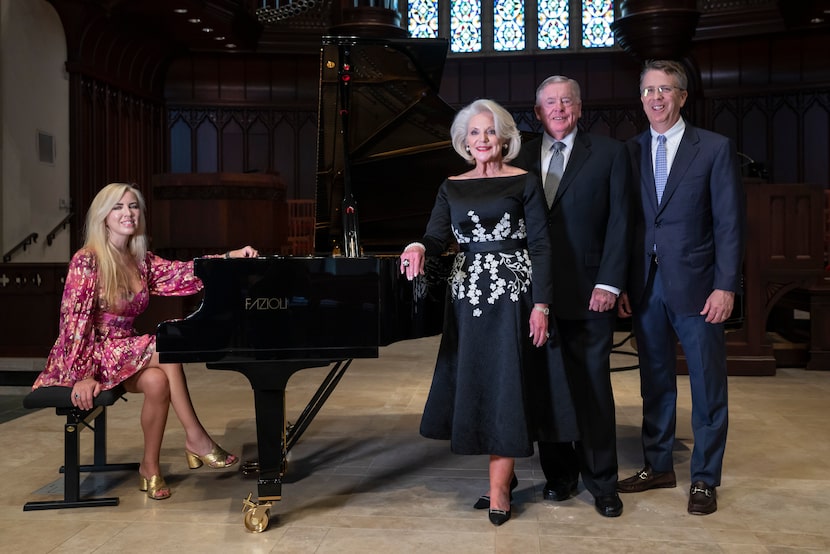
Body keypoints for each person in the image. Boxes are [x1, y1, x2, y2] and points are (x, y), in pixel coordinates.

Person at [399, 99, 577, 526]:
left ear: (505, 138)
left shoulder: (525, 182)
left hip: (513, 300)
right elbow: (435, 234)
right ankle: (500, 479)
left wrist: (541, 304)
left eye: (490, 132)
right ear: (464, 141)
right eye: (474, 133)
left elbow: (540, 245)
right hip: (466, 301)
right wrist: (417, 246)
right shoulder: (451, 185)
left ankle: (499, 488)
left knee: (506, 387)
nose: (482, 140)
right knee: (478, 382)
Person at [32, 182, 259, 500]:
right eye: (118, 207)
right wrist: (82, 375)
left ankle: (149, 468)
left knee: (156, 381)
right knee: (164, 343)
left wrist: (229, 257)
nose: (128, 213)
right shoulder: (88, 260)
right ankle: (196, 437)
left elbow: (182, 274)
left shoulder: (139, 260)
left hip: (125, 349)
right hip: (89, 353)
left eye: (133, 206)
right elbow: (73, 324)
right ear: (104, 216)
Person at [617, 60, 745, 515]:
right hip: (646, 286)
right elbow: (630, 225)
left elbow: (729, 224)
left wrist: (725, 286)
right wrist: (625, 282)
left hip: (698, 287)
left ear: (682, 97)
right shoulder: (629, 151)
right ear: (641, 97)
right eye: (649, 90)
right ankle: (659, 465)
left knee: (708, 386)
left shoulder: (712, 148)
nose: (656, 98)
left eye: (665, 90)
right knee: (655, 382)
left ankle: (705, 479)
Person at [513, 76, 631, 518]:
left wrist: (610, 282)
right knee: (548, 388)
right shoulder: (518, 156)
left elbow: (622, 221)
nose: (558, 108)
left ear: (579, 109)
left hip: (589, 292)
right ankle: (559, 476)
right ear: (537, 112)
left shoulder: (610, 153)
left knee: (592, 387)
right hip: (533, 295)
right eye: (550, 103)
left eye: (566, 101)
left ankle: (603, 482)